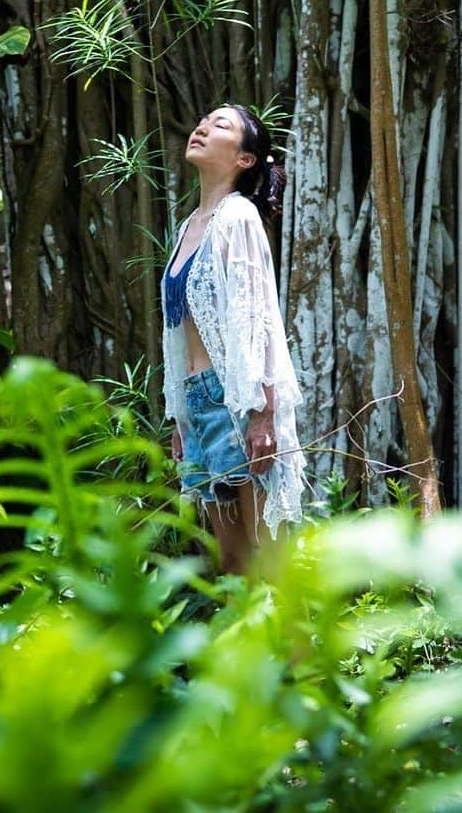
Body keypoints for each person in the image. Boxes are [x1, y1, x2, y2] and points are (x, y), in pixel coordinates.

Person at [162, 103, 306, 573]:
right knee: (232, 563)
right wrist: (180, 418)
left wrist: (263, 414)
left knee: (271, 560)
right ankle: (250, 649)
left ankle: (302, 649)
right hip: (199, 405)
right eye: (203, 119)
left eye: (220, 125)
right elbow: (178, 332)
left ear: (245, 158)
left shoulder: (238, 216)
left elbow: (257, 316)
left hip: (236, 401)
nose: (202, 126)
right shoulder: (188, 227)